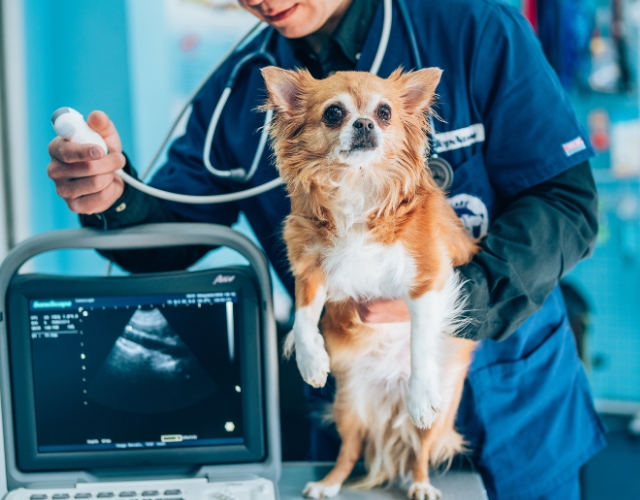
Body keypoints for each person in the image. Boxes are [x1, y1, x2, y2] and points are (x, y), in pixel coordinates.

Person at [47, 0, 606, 498]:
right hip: (355, 393)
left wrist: (458, 296)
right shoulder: (238, 93)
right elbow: (168, 236)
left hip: (515, 401)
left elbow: (566, 201)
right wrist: (113, 198)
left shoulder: (474, 29)